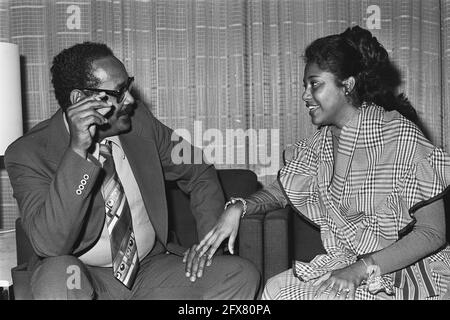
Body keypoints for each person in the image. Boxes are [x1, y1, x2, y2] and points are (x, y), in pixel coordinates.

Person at [195, 26, 450, 300]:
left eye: (315, 84)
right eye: (305, 86)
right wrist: (239, 206)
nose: (306, 95)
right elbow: (281, 191)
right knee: (275, 290)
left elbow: (432, 233)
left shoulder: (401, 135)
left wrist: (360, 269)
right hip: (349, 264)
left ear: (347, 85)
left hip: (406, 274)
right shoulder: (322, 142)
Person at [5, 42, 260, 300]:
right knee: (57, 280)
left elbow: (198, 167)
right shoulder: (28, 153)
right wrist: (77, 154)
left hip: (149, 269)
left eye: (128, 86)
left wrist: (208, 247)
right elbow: (50, 244)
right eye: (118, 92)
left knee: (239, 274)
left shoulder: (142, 124)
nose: (130, 99)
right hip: (82, 273)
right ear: (80, 101)